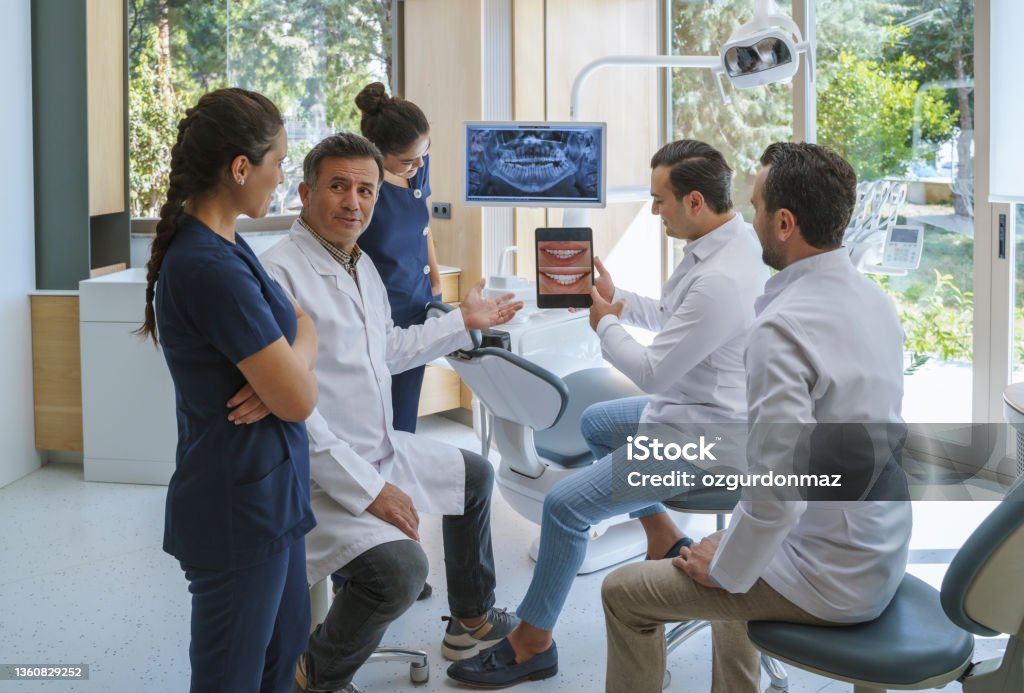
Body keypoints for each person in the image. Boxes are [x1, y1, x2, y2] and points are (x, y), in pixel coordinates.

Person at [446, 140, 770, 688]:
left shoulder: (722, 278)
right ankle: (664, 534)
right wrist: (616, 299)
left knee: (566, 508)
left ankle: (533, 644)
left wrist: (602, 323)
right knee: (598, 423)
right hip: (697, 407)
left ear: (694, 201)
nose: (652, 210)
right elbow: (673, 316)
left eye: (659, 200)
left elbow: (652, 372)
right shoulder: (721, 246)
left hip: (707, 436)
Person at [600, 142, 912, 693]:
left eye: (757, 207)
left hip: (829, 576)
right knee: (738, 568)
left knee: (624, 593)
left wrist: (725, 565)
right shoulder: (873, 301)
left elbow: (778, 491)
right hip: (877, 547)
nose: (750, 218)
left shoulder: (783, 329)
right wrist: (738, 548)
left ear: (785, 222)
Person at [259, 133, 524, 693]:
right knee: (401, 572)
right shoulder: (280, 275)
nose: (353, 201)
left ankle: (470, 621)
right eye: (338, 186)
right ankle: (313, 676)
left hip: (378, 448)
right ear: (305, 192)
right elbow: (293, 411)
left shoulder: (359, 264)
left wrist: (463, 322)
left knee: (476, 474)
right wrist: (371, 491)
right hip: (321, 477)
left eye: (365, 190)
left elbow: (389, 350)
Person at [137, 88, 319, 693]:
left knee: (281, 655)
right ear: (241, 168)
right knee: (231, 677)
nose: (282, 176)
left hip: (272, 494)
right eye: (278, 163)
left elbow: (305, 324)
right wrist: (285, 385)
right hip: (238, 508)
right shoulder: (208, 268)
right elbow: (301, 398)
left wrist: (283, 379)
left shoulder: (232, 246)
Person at [354, 81, 438, 434]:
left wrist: (435, 282)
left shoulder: (417, 169)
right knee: (377, 422)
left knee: (405, 419)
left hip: (418, 305)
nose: (419, 164)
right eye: (407, 160)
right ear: (377, 154)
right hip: (378, 317)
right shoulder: (363, 192)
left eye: (424, 152)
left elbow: (424, 224)